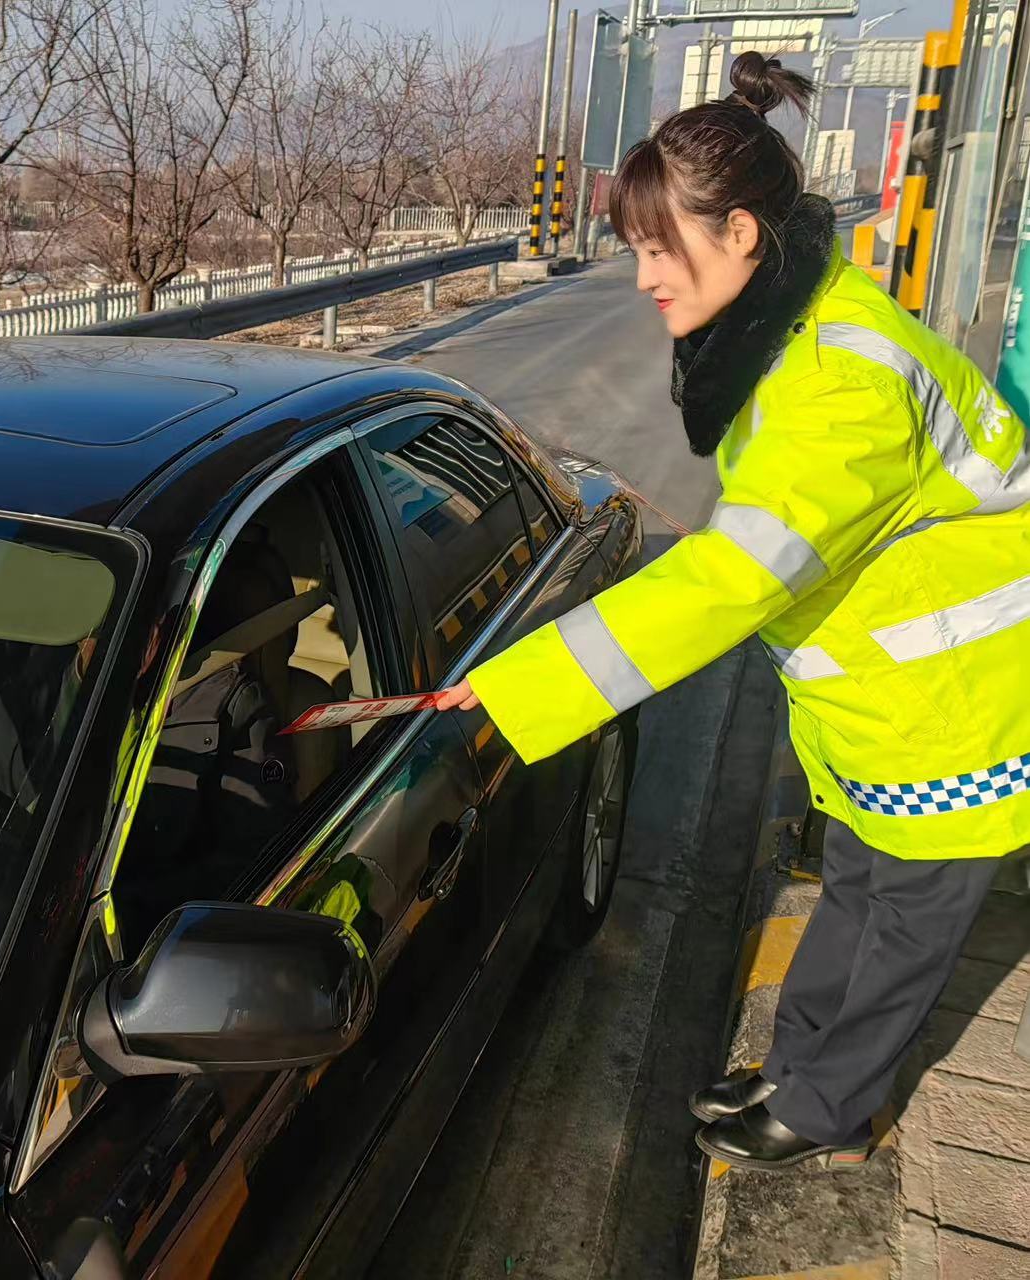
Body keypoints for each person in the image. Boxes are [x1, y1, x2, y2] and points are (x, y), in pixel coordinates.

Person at [436, 52, 1030, 1172]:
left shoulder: (842, 381)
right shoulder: (801, 327)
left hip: (962, 711)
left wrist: (525, 680)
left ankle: (827, 1107)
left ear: (743, 233)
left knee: (900, 928)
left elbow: (734, 575)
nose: (644, 279)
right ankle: (798, 1072)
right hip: (891, 705)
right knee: (857, 892)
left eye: (660, 249)